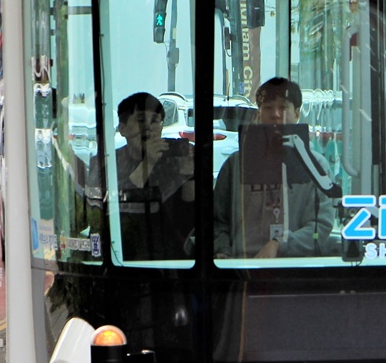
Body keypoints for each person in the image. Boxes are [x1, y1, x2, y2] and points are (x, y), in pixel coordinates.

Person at [213, 77, 338, 259]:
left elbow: (321, 225)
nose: (276, 114)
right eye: (268, 108)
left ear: (297, 114)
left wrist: (279, 245)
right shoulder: (235, 164)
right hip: (241, 268)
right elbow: (218, 221)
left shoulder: (316, 166)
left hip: (293, 270)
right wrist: (222, 251)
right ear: (259, 114)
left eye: (283, 107)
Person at [108, 92, 194, 260]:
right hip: (123, 256)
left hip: (172, 257)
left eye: (155, 121)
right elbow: (114, 204)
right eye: (140, 120)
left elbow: (192, 215)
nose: (148, 127)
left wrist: (191, 175)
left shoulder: (173, 160)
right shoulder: (109, 162)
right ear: (123, 128)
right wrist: (148, 163)